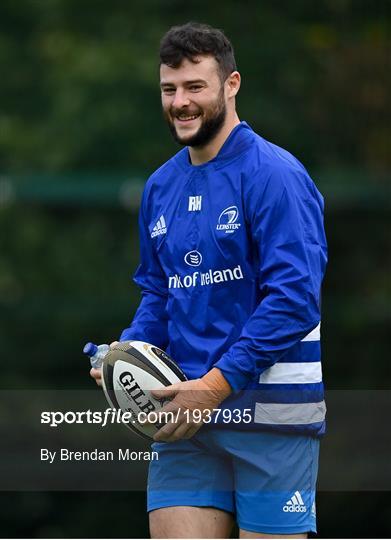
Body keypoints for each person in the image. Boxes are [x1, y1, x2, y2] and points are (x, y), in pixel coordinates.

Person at [91, 22, 327, 539]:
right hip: (184, 422)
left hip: (271, 417)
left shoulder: (276, 175)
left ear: (231, 84)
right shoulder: (159, 186)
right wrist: (126, 354)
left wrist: (216, 386)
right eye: (169, 89)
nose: (180, 102)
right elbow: (159, 294)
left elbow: (295, 299)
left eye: (195, 87)